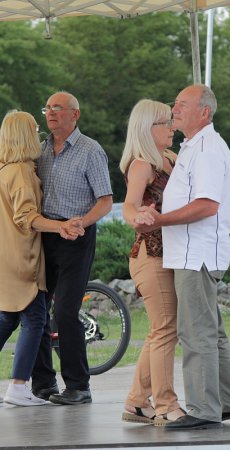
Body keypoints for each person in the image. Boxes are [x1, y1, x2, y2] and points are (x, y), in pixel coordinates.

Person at [136, 84, 230, 430]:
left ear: (204, 111)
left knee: (196, 332)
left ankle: (203, 408)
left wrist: (160, 219)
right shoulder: (194, 147)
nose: (175, 110)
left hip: (195, 254)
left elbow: (206, 205)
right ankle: (229, 402)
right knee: (210, 331)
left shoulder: (208, 149)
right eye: (175, 104)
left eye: (182, 104)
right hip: (190, 252)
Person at [31, 92, 113, 405]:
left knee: (64, 310)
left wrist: (82, 222)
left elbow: (105, 201)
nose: (50, 113)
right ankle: (43, 384)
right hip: (47, 234)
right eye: (47, 108)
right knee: (35, 308)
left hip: (76, 237)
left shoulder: (91, 151)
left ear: (74, 115)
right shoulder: (41, 151)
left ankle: (79, 386)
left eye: (57, 108)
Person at [0, 110, 84, 406]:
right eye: (34, 129)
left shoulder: (5, 169)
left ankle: (20, 386)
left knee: (8, 318)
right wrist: (59, 226)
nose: (38, 134)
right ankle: (19, 387)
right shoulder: (21, 171)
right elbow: (26, 217)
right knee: (35, 319)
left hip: (6, 257)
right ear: (24, 135)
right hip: (23, 257)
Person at [119, 99, 185, 425]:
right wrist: (138, 216)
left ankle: (136, 402)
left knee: (161, 330)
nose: (173, 127)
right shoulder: (142, 164)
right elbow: (129, 205)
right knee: (165, 330)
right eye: (166, 122)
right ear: (148, 128)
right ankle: (165, 406)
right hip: (150, 256)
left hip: (170, 254)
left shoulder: (172, 158)